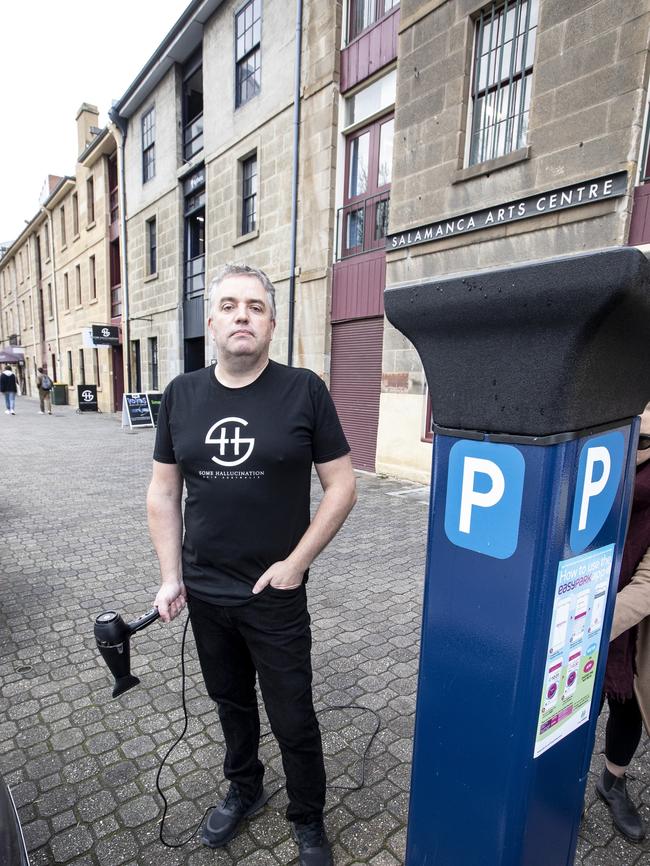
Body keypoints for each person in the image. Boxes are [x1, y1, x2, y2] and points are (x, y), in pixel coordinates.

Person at [147, 264, 356, 866]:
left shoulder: (304, 390)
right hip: (206, 594)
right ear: (210, 321)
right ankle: (245, 786)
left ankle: (308, 817)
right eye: (231, 306)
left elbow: (341, 486)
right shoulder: (181, 396)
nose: (243, 315)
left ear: (270, 322)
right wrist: (171, 577)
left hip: (275, 593)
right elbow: (163, 493)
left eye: (256, 307)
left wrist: (296, 562)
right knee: (230, 702)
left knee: (292, 712)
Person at [596, 406, 650, 841]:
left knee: (627, 700)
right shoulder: (606, 431)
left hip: (631, 618)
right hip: (578, 584)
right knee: (571, 702)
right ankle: (558, 781)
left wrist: (588, 623)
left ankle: (613, 781)